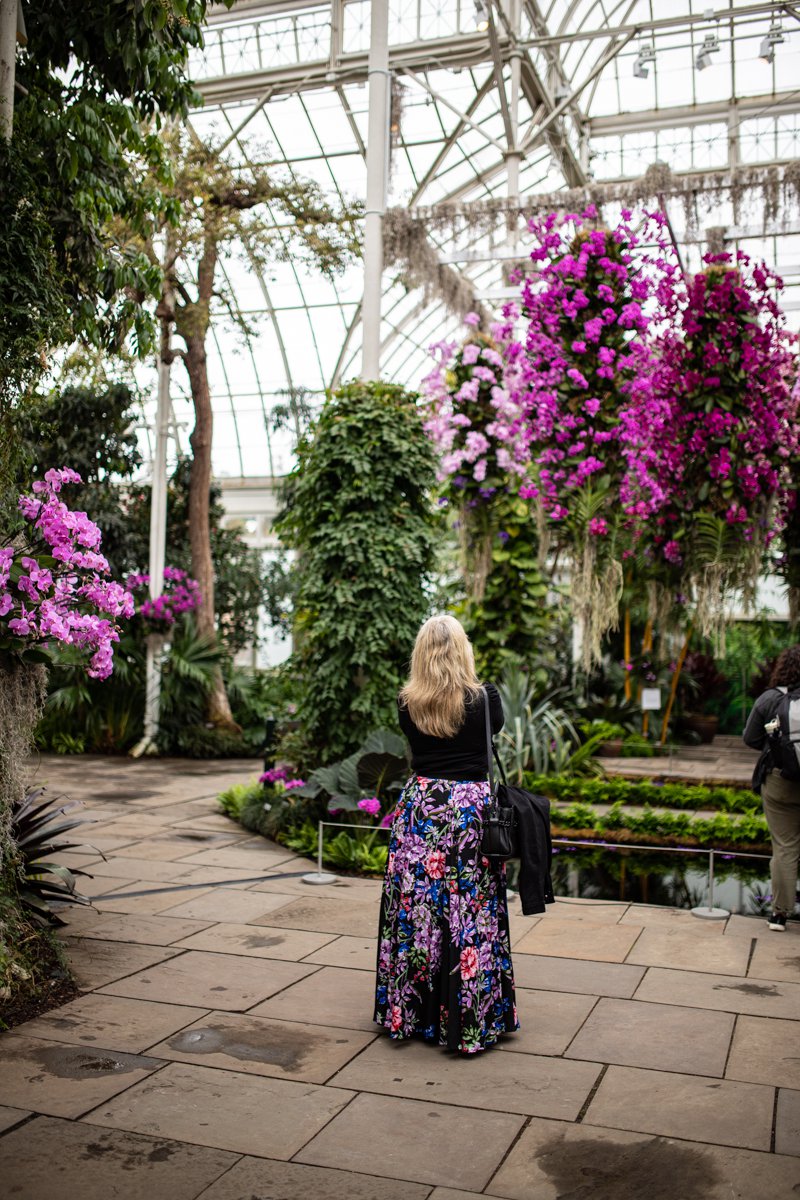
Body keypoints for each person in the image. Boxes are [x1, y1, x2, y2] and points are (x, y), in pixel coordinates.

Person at [373, 614, 518, 1054]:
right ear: (463, 649)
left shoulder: (406, 702)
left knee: (416, 914)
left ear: (420, 653)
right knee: (468, 913)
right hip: (469, 816)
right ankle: (469, 1017)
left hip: (420, 812)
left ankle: (412, 1013)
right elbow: (495, 733)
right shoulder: (486, 699)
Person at [743, 645, 800, 931]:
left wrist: (776, 748)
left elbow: (750, 737)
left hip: (779, 781)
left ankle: (780, 914)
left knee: (785, 847)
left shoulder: (770, 698)